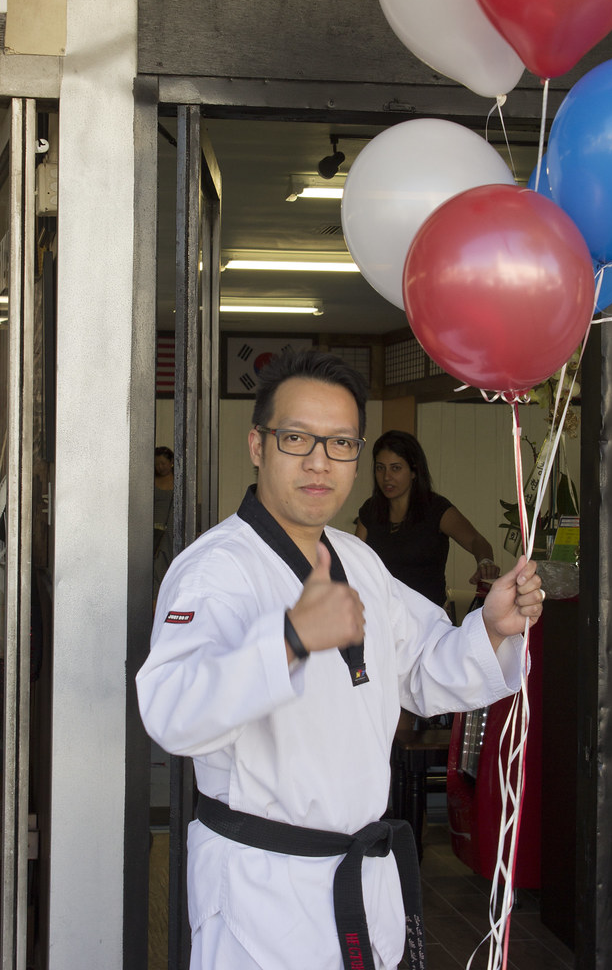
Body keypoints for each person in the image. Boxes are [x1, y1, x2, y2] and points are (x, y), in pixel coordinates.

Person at [136, 350, 543, 970]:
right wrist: (290, 638)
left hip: (360, 879)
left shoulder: (359, 559)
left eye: (342, 443)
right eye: (297, 438)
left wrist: (489, 627)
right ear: (257, 444)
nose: (320, 461)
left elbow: (424, 667)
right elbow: (172, 714)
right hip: (264, 892)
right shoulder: (216, 570)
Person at [356, 430, 499, 608]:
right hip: (380, 616)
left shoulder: (435, 509)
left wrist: (485, 563)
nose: (386, 477)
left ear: (414, 471)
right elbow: (355, 562)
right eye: (380, 468)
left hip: (428, 620)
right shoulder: (370, 511)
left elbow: (477, 541)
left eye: (396, 468)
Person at [153, 445, 174, 607]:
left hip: (171, 531)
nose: (160, 467)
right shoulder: (151, 481)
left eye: (163, 463)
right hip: (153, 531)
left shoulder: (178, 480)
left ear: (171, 463)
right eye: (157, 464)